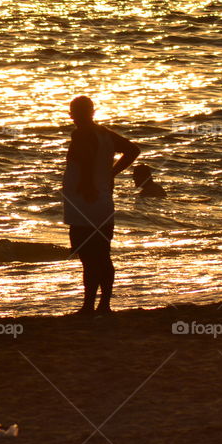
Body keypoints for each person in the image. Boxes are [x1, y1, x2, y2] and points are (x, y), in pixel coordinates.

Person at [61, 96, 140, 315]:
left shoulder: (81, 134)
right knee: (102, 254)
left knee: (88, 256)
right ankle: (104, 304)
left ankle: (88, 305)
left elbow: (85, 160)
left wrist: (88, 185)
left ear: (75, 114)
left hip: (85, 203)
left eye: (73, 112)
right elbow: (134, 150)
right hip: (103, 202)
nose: (73, 117)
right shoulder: (105, 134)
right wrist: (110, 173)